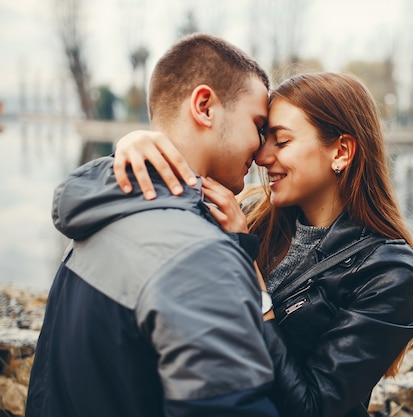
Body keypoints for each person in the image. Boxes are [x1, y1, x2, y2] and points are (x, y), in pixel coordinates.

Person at [111, 72, 413, 417]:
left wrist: (247, 269)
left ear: (340, 151)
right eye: (264, 139)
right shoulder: (249, 214)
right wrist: (138, 146)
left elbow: (310, 407)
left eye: (282, 141)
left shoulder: (388, 272)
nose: (261, 157)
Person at [25, 33, 279, 417]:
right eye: (258, 125)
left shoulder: (101, 212)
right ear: (205, 106)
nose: (261, 150)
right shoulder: (200, 258)